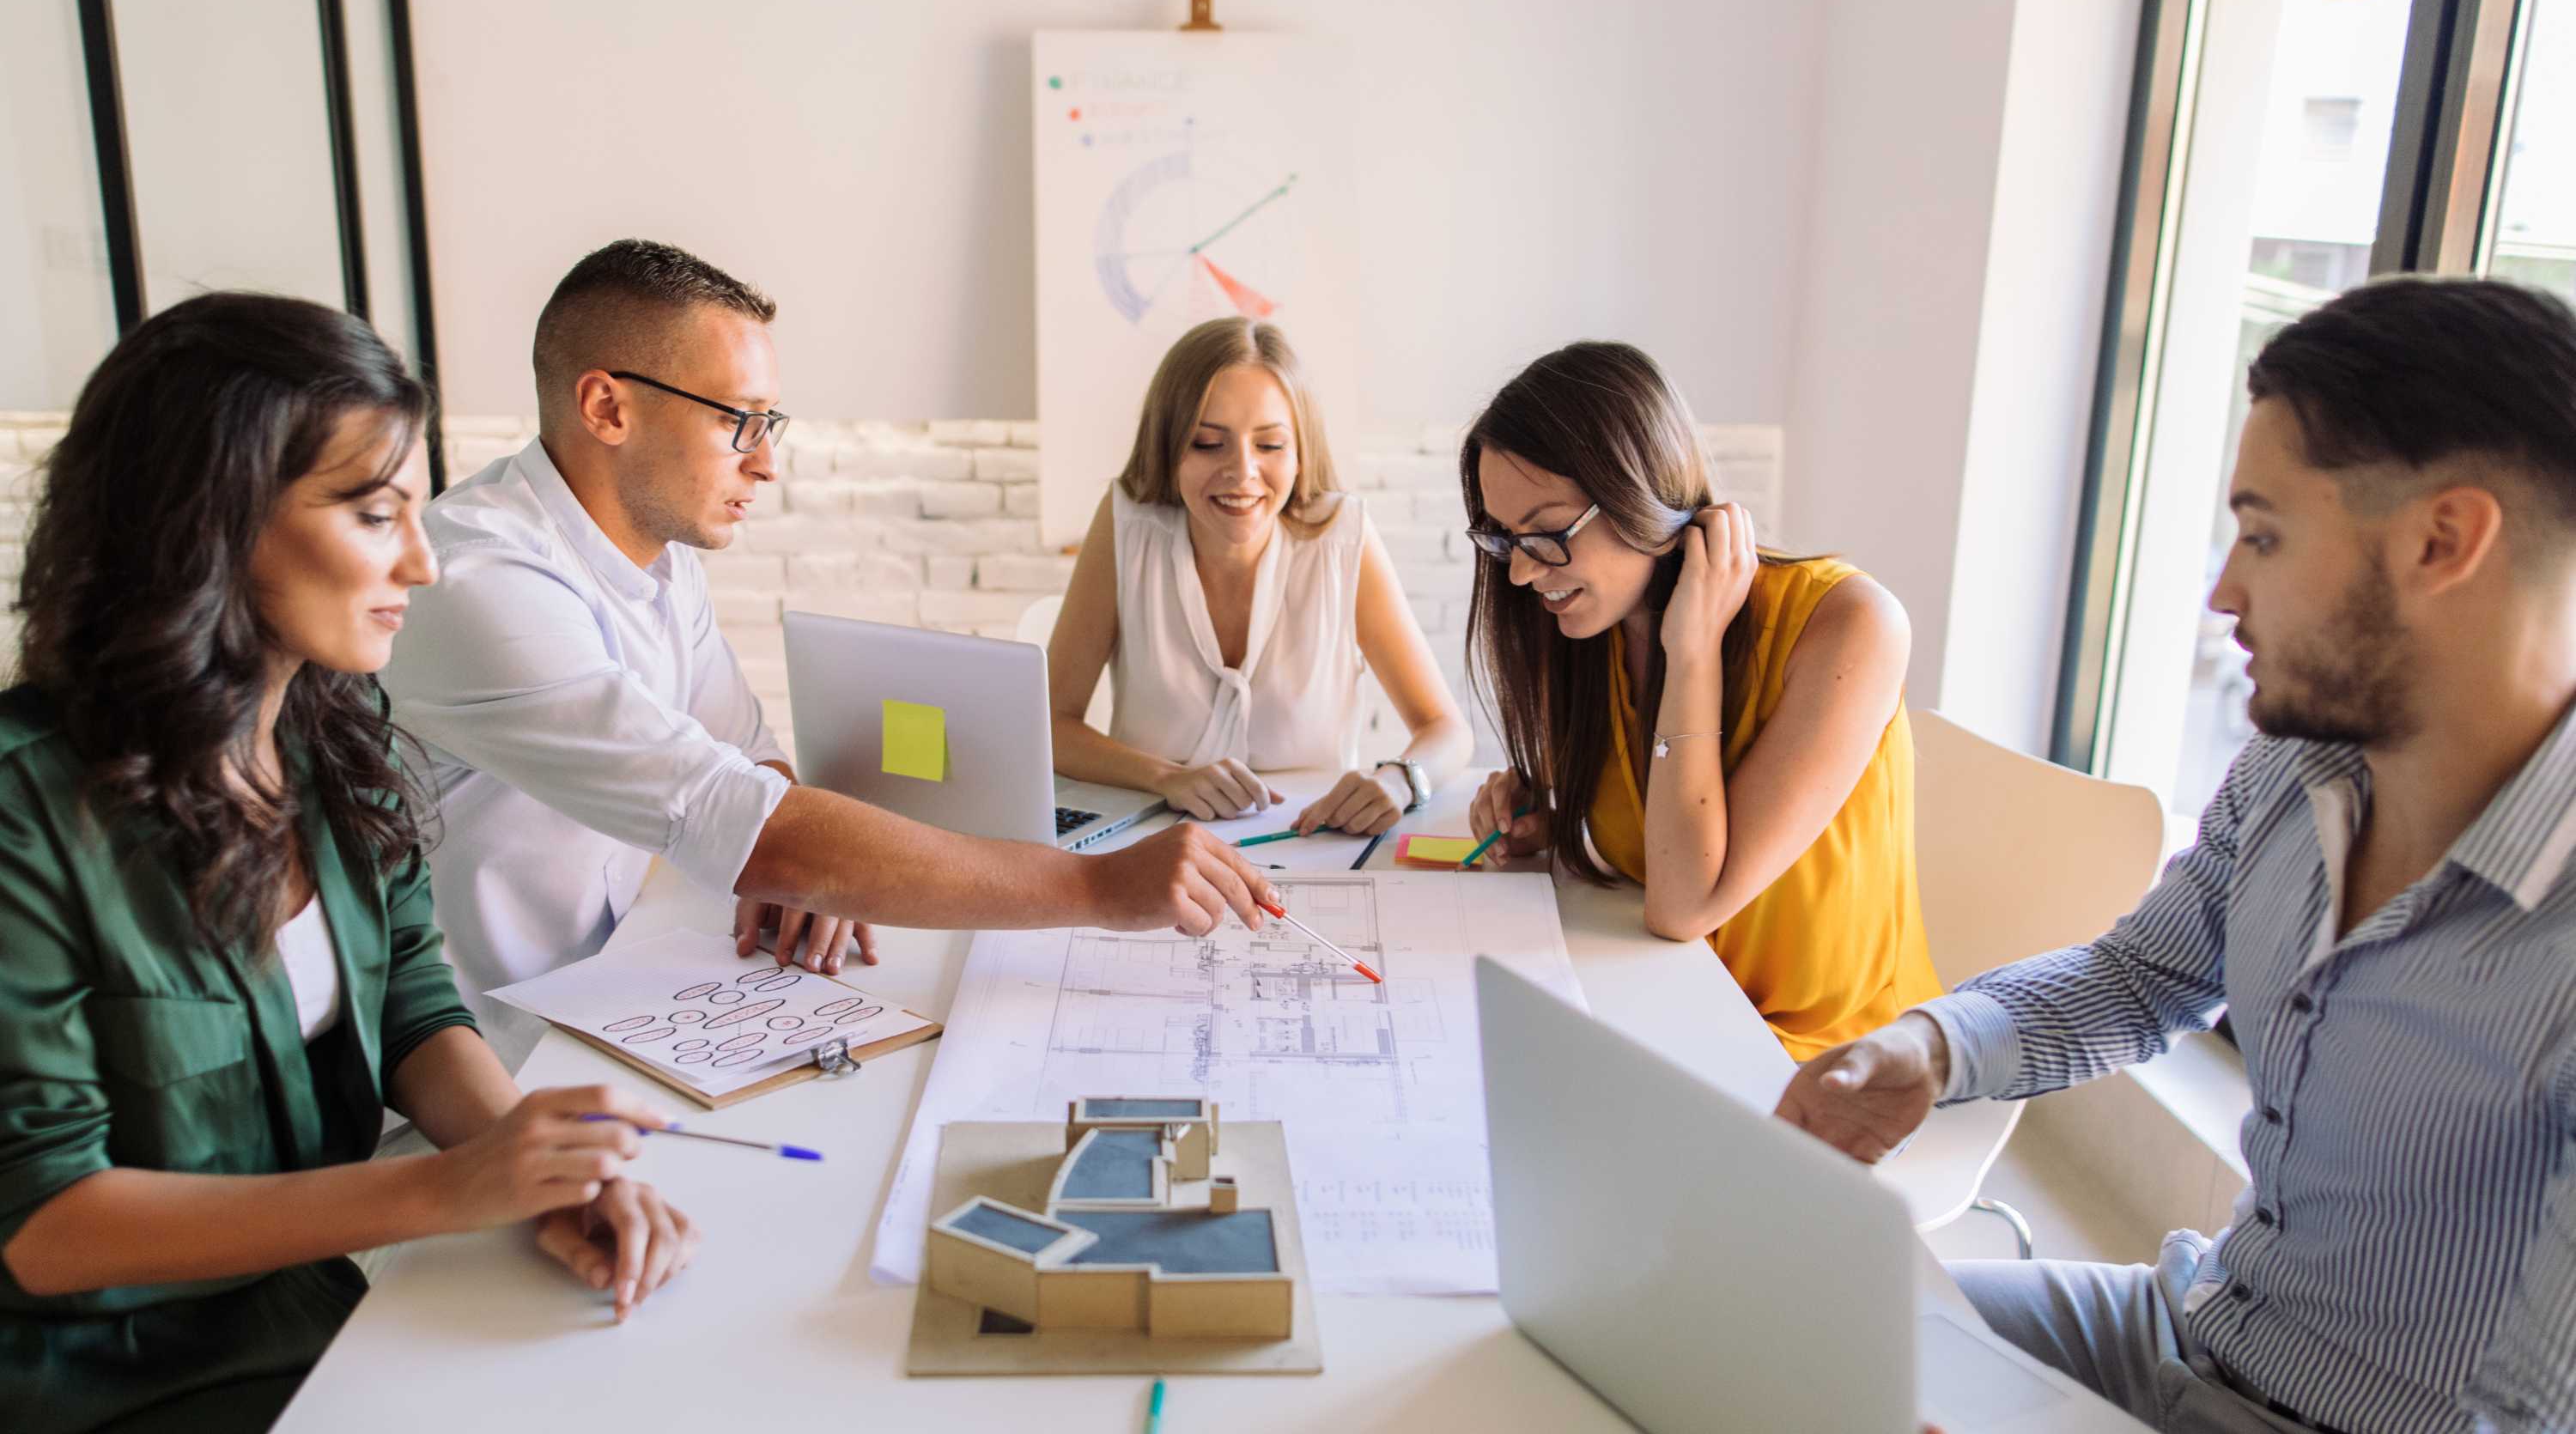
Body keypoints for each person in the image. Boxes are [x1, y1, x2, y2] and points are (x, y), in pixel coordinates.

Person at [1778, 277, 2576, 1434]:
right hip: (2187, 1326)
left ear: (2441, 540)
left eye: (2262, 532)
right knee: (1780, 1326)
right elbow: (2140, 976)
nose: (2222, 590)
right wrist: (1930, 1045)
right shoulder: (2299, 769)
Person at [0, 295, 690, 1434]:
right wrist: (442, 1187)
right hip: (110, 1385)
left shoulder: (335, 726)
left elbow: (412, 1000)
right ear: (210, 520)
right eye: (375, 515)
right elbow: (45, 1219)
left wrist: (536, 1163)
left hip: (328, 1324)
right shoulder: (27, 812)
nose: (422, 562)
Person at [380, 241, 1276, 1066]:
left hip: (621, 1002)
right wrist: (1097, 891)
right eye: (740, 420)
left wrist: (795, 861)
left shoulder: (658, 559)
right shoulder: (479, 582)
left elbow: (750, 753)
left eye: (774, 422)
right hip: (488, 1064)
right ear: (607, 406)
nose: (767, 463)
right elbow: (744, 812)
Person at [1458, 341, 1939, 1059]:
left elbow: (1685, 905)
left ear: (1638, 489)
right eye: (1504, 538)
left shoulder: (1851, 627)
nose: (1524, 571)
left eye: (1548, 532)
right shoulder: (1592, 632)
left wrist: (1692, 653)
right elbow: (1649, 845)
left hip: (1829, 1064)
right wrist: (1544, 811)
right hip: (1668, 1014)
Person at [1046, 317, 1472, 832]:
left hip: (1313, 844)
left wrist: (1400, 779)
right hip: (1154, 847)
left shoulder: (1342, 538)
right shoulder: (1126, 525)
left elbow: (1446, 730)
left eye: (1269, 446)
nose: (1243, 472)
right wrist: (1168, 778)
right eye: (1207, 443)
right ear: (1168, 445)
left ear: (1299, 453)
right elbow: (1049, 726)